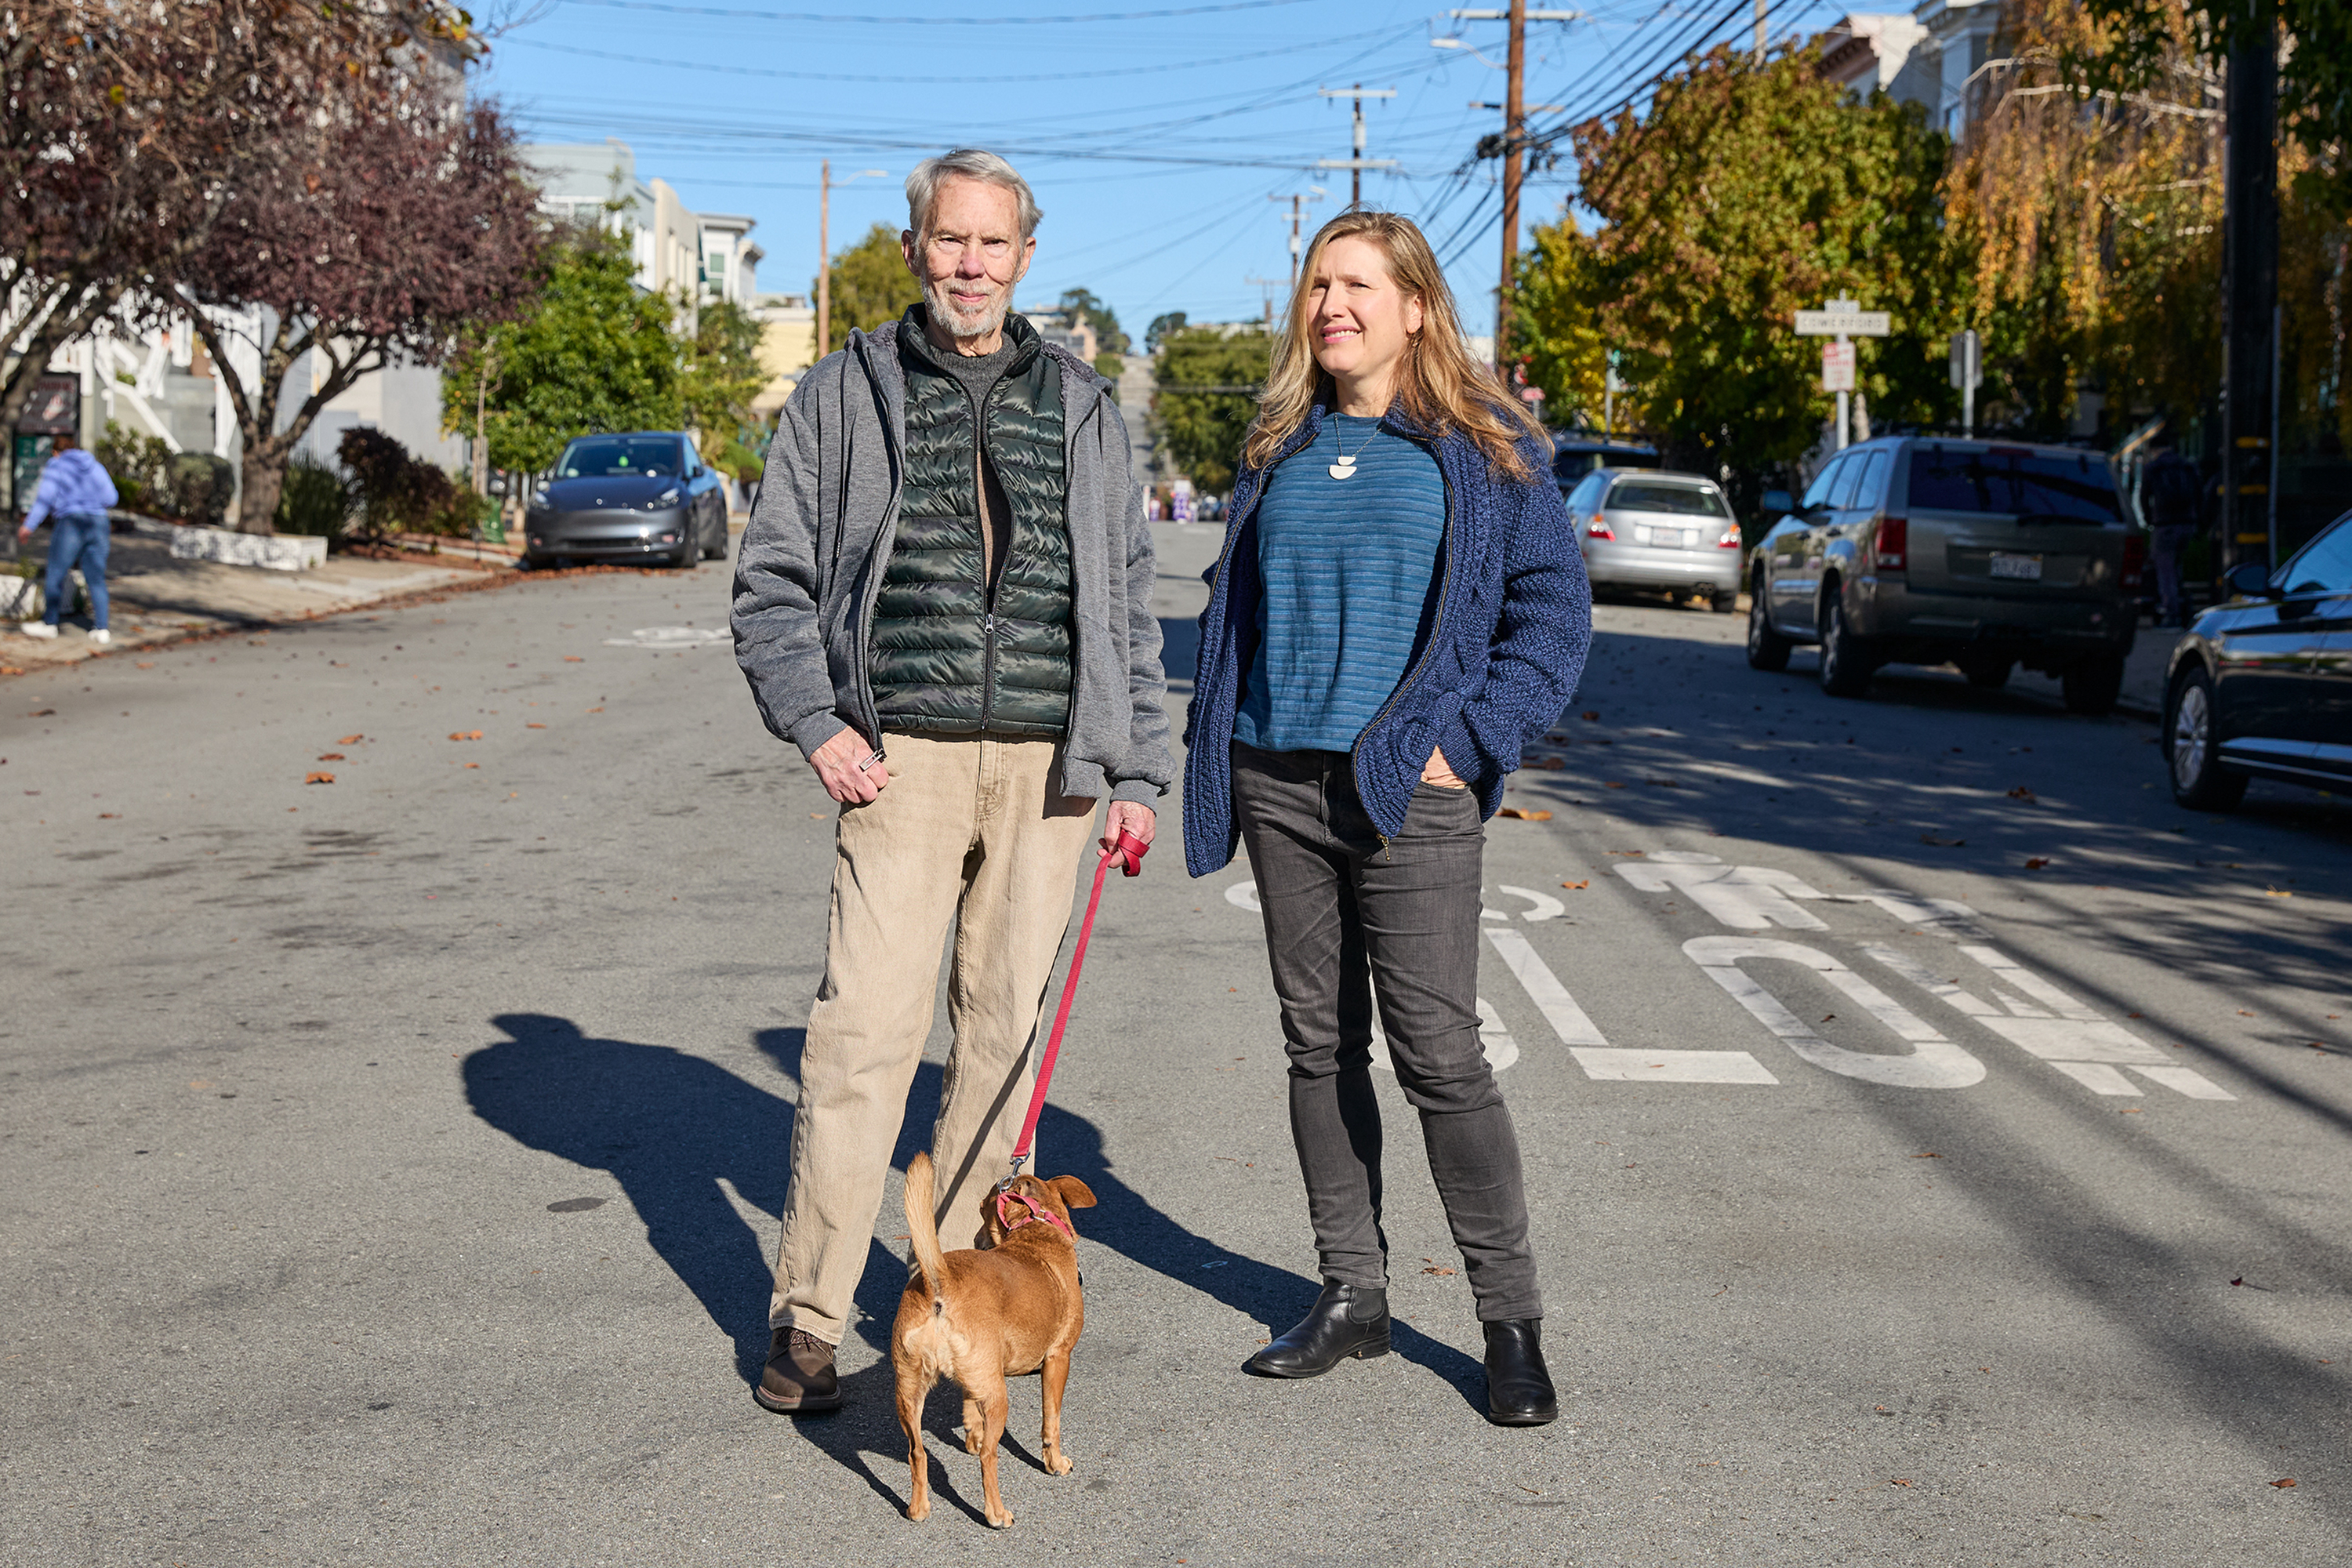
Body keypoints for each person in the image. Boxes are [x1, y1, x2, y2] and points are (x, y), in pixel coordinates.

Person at [731, 148, 1171, 1414]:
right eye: (950, 240)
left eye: (995, 244)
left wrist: (1133, 765)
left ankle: (960, 1303)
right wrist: (817, 723)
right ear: (915, 246)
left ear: (1025, 257)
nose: (971, 264)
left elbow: (1131, 610)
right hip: (901, 763)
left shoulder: (1086, 408)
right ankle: (809, 1318)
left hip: (1050, 771)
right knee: (862, 1039)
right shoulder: (840, 395)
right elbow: (771, 586)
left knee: (1001, 1049)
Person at [1181, 211, 1591, 1427]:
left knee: (1438, 1053)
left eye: (1356, 283)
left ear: (1417, 305)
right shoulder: (1278, 446)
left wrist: (1469, 744)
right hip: (1277, 778)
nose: (1330, 305)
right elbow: (1235, 611)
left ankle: (1508, 1323)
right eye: (1316, 284)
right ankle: (1352, 1294)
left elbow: (1551, 615)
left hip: (1407, 789)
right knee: (1319, 1044)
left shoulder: (1486, 446)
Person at [17, 430, 119, 644]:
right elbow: (112, 497)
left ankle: (50, 624)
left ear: (56, 452)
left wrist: (29, 526)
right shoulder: (94, 465)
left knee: (56, 573)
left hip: (71, 523)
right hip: (99, 523)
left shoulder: (57, 465)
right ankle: (102, 629)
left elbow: (45, 499)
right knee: (96, 577)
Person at [2141, 445, 2201, 628]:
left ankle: (2171, 611)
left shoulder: (2153, 468)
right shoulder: (2187, 466)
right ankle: (2182, 606)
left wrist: (2149, 519)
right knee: (2176, 567)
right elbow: (2200, 493)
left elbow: (2144, 497)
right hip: (2187, 523)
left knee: (2164, 570)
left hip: (2164, 524)